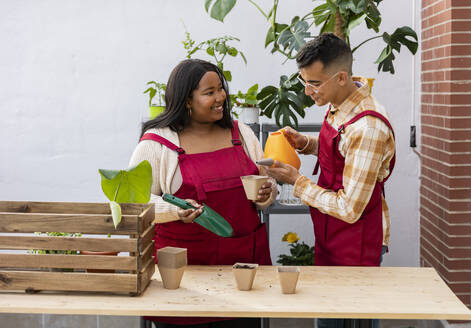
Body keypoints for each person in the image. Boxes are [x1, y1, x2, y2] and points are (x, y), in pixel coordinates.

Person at [129, 58, 276, 328]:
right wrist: (174, 210)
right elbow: (133, 201)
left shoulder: (240, 134)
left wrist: (267, 194)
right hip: (184, 279)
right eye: (209, 93)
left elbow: (264, 184)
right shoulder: (157, 144)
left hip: (243, 271)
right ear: (187, 100)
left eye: (220, 89)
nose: (220, 97)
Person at [265, 33, 396, 328]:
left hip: (358, 245)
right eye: (304, 81)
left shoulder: (368, 127)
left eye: (314, 82)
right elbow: (342, 149)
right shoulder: (341, 101)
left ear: (340, 77)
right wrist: (306, 144)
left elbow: (350, 208)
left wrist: (297, 182)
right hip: (331, 237)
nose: (307, 90)